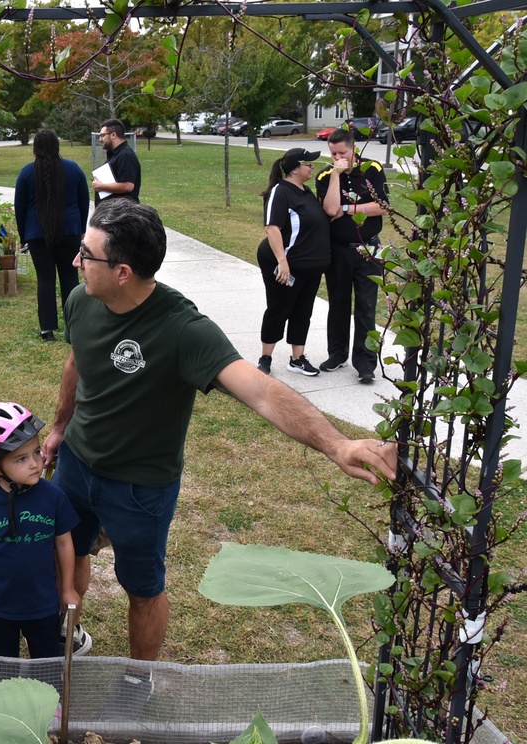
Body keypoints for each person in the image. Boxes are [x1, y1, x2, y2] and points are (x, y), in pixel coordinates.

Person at [41, 199, 397, 709]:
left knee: (141, 588)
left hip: (140, 486)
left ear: (122, 272)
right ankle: (68, 635)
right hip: (76, 463)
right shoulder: (81, 300)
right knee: (67, 551)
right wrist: (59, 426)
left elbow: (261, 391)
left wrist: (337, 443)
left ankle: (139, 679)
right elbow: (77, 359)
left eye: (85, 254)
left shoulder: (183, 330)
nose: (76, 262)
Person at [0, 402, 79, 659]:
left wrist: (68, 588)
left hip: (44, 604)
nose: (35, 464)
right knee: (0, 668)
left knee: (47, 664)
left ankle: (51, 701)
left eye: (37, 452)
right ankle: (4, 701)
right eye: (21, 458)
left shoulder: (54, 497)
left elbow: (64, 543)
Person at [314, 129, 390, 384]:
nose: (338, 157)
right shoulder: (325, 175)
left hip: (368, 248)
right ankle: (337, 353)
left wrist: (348, 209)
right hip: (338, 250)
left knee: (366, 306)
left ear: (353, 149)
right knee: (338, 303)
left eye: (342, 153)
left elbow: (382, 207)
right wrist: (336, 174)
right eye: (333, 153)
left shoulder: (372, 170)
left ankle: (365, 362)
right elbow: (330, 208)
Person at [256, 148, 330, 376]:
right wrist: (282, 261)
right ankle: (265, 357)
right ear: (295, 168)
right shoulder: (280, 192)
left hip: (310, 266)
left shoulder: (305, 191)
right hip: (285, 264)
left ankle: (297, 359)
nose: (312, 167)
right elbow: (272, 228)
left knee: (303, 311)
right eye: (309, 164)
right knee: (279, 308)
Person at [14, 129, 88, 341]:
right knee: (69, 278)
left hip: (37, 234)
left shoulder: (27, 173)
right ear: (57, 146)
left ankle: (46, 329)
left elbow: (19, 207)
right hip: (69, 232)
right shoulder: (73, 169)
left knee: (45, 279)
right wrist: (81, 228)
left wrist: (23, 236)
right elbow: (84, 201)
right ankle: (72, 328)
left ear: (35, 148)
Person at [91, 118, 141, 204]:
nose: (100, 139)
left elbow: (127, 186)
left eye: (103, 135)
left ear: (113, 135)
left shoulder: (126, 155)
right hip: (113, 211)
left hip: (122, 212)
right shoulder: (115, 154)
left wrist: (100, 186)